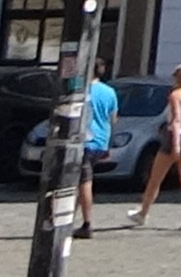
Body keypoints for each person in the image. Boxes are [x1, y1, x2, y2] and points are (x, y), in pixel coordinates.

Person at [131, 64, 181, 231]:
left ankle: (143, 213)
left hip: (174, 137)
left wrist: (175, 145)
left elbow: (176, 120)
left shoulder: (175, 95)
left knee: (155, 178)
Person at [71, 57, 117, 238]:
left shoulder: (81, 89)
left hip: (84, 140)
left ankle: (87, 223)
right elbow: (113, 119)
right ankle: (67, 219)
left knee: (84, 182)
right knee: (78, 182)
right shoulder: (110, 92)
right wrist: (108, 144)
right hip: (101, 141)